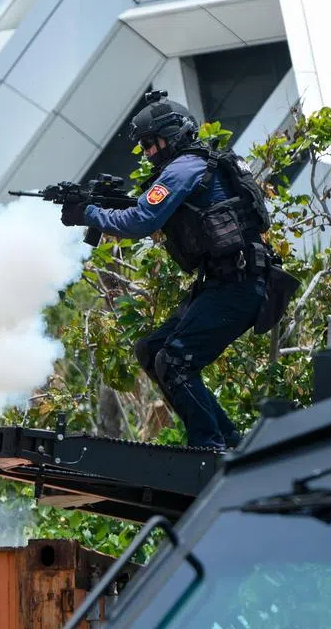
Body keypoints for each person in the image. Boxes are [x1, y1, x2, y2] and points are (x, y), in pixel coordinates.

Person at [60, 90, 280, 450]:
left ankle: (208, 448)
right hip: (224, 284)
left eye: (152, 143)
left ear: (174, 133)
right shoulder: (193, 167)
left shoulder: (186, 166)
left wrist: (88, 213)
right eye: (144, 146)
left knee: (175, 361)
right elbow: (153, 209)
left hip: (238, 285)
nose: (148, 153)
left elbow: (141, 219)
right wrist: (98, 204)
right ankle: (230, 442)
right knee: (153, 349)